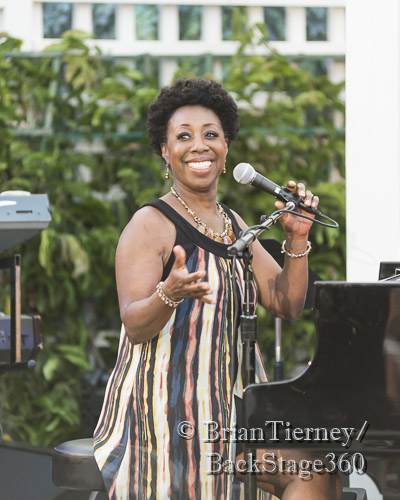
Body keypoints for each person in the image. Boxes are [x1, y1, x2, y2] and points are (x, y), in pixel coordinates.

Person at [93, 78, 340, 499]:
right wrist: (169, 293)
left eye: (211, 135)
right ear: (165, 151)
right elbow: (134, 324)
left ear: (226, 149)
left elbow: (286, 304)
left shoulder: (234, 225)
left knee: (318, 472)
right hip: (164, 410)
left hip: (229, 407)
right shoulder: (150, 224)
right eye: (183, 136)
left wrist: (296, 238)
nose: (199, 146)